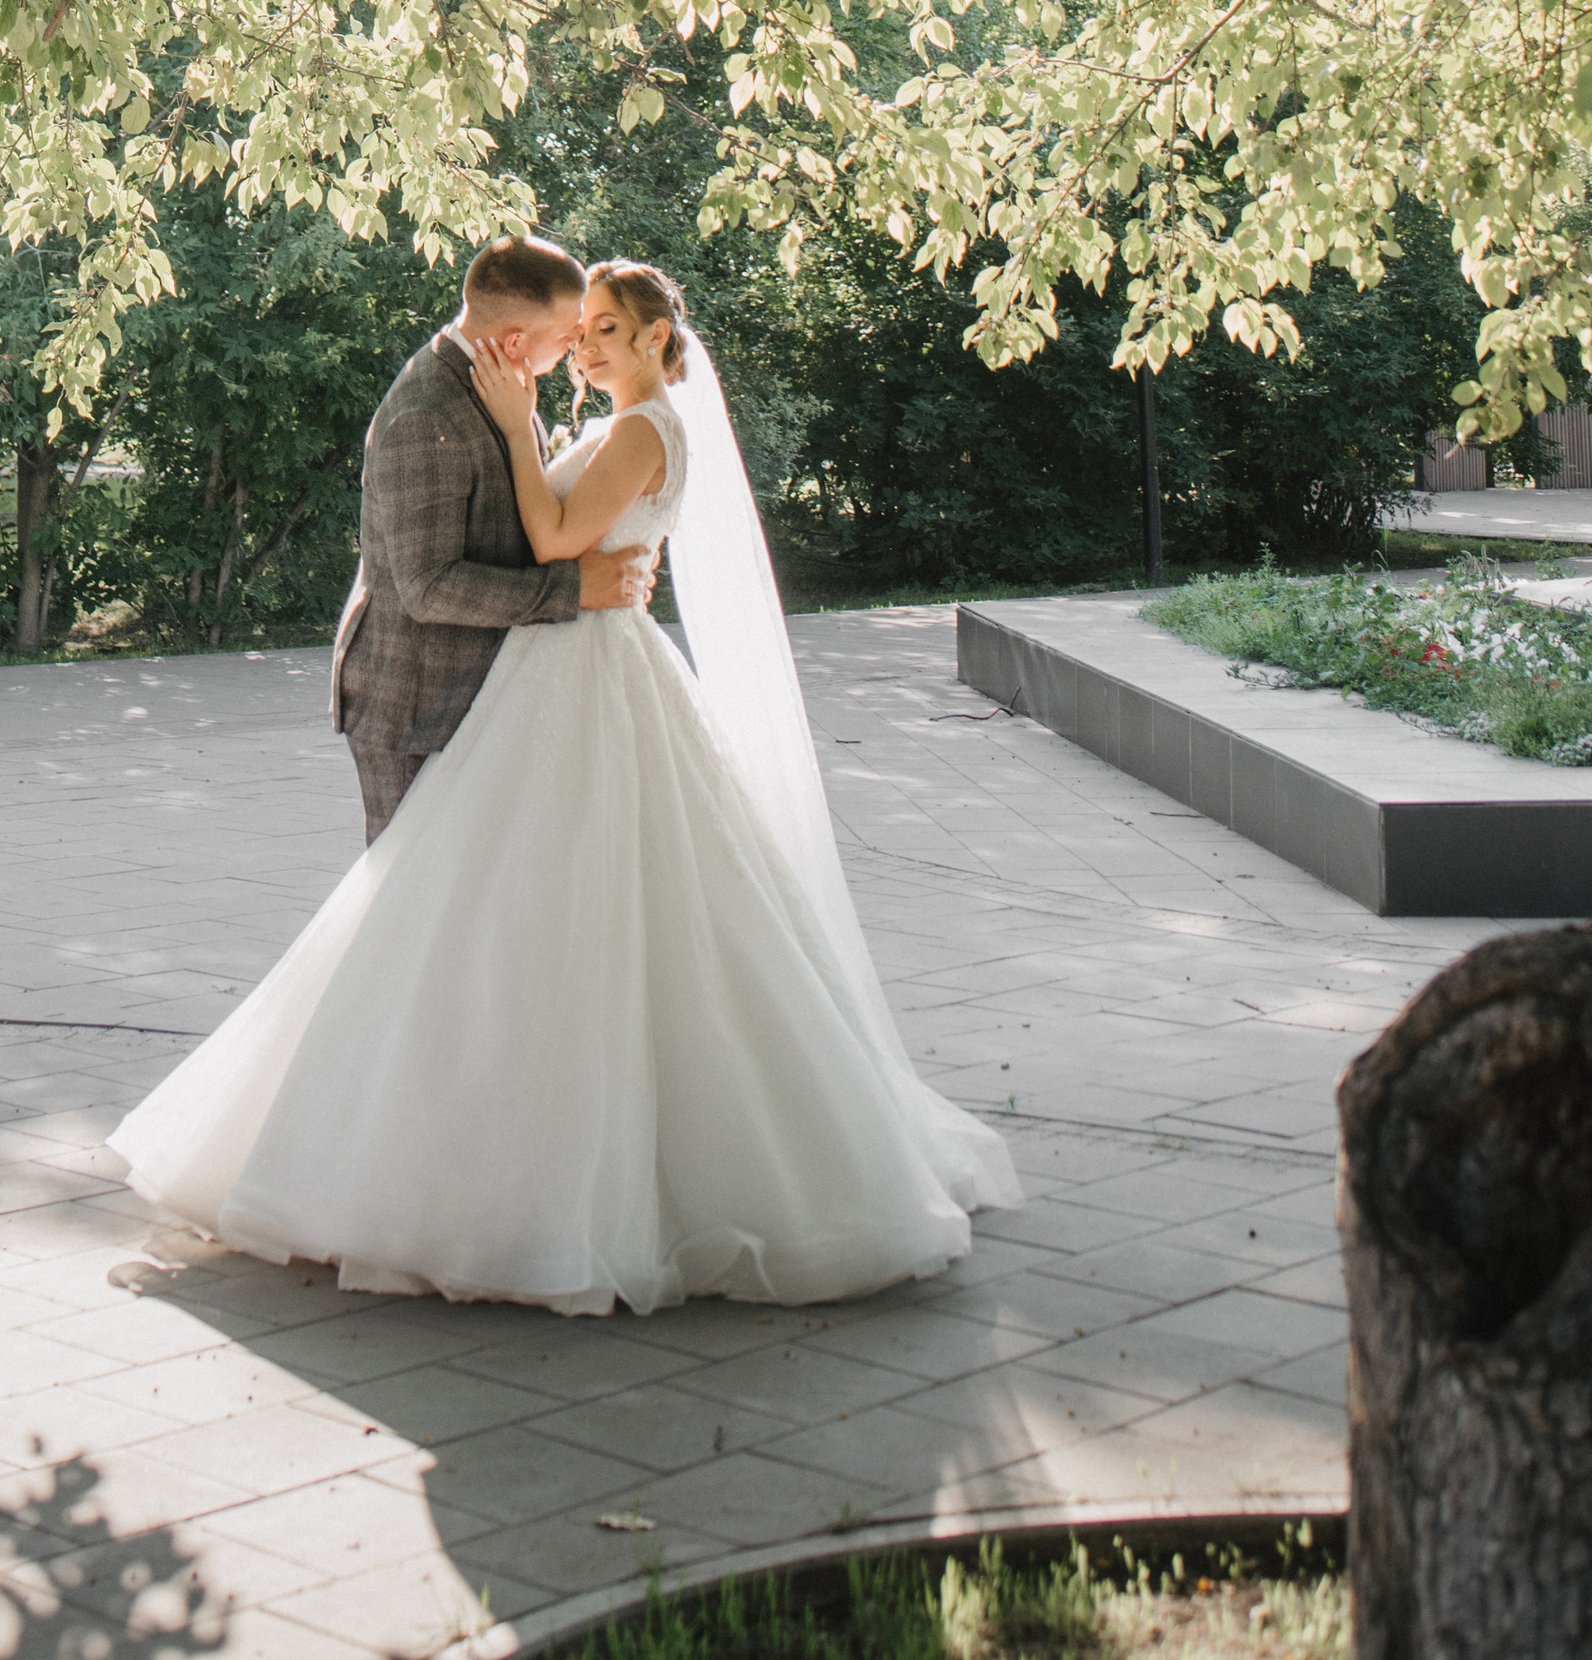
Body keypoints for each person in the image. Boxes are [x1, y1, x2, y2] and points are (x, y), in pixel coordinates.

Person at [110, 255, 1020, 1314]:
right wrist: (542, 495)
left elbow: (549, 527)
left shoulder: (623, 423)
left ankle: (470, 1171)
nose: (571, 351)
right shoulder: (447, 409)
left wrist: (517, 434)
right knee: (447, 931)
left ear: (646, 339)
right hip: (482, 682)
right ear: (516, 327)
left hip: (576, 681)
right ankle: (429, 1155)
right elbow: (465, 568)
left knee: (494, 929)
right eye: (567, 332)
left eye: (595, 332)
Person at [328, 232, 655, 840]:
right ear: (514, 341)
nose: (574, 352)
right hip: (416, 706)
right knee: (417, 911)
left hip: (471, 696)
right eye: (566, 340)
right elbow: (428, 588)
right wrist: (572, 588)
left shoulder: (494, 382)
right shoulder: (429, 412)